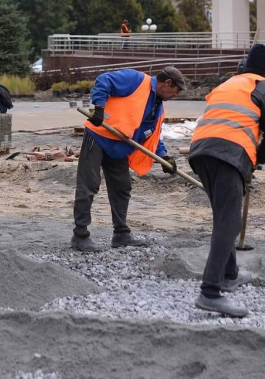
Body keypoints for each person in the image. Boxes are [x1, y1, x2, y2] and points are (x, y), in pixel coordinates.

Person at [188, 44, 265, 317]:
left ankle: (230, 273)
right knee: (230, 221)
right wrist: (253, 160)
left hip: (200, 151)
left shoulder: (227, 84)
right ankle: (210, 291)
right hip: (229, 153)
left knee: (223, 216)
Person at [72, 66, 186, 252]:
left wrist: (165, 156)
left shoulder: (158, 108)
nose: (177, 95)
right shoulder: (136, 80)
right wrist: (99, 107)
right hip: (100, 135)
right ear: (167, 83)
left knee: (122, 187)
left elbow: (154, 134)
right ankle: (80, 234)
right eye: (177, 90)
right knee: (89, 184)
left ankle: (121, 234)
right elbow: (104, 80)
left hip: (119, 146)